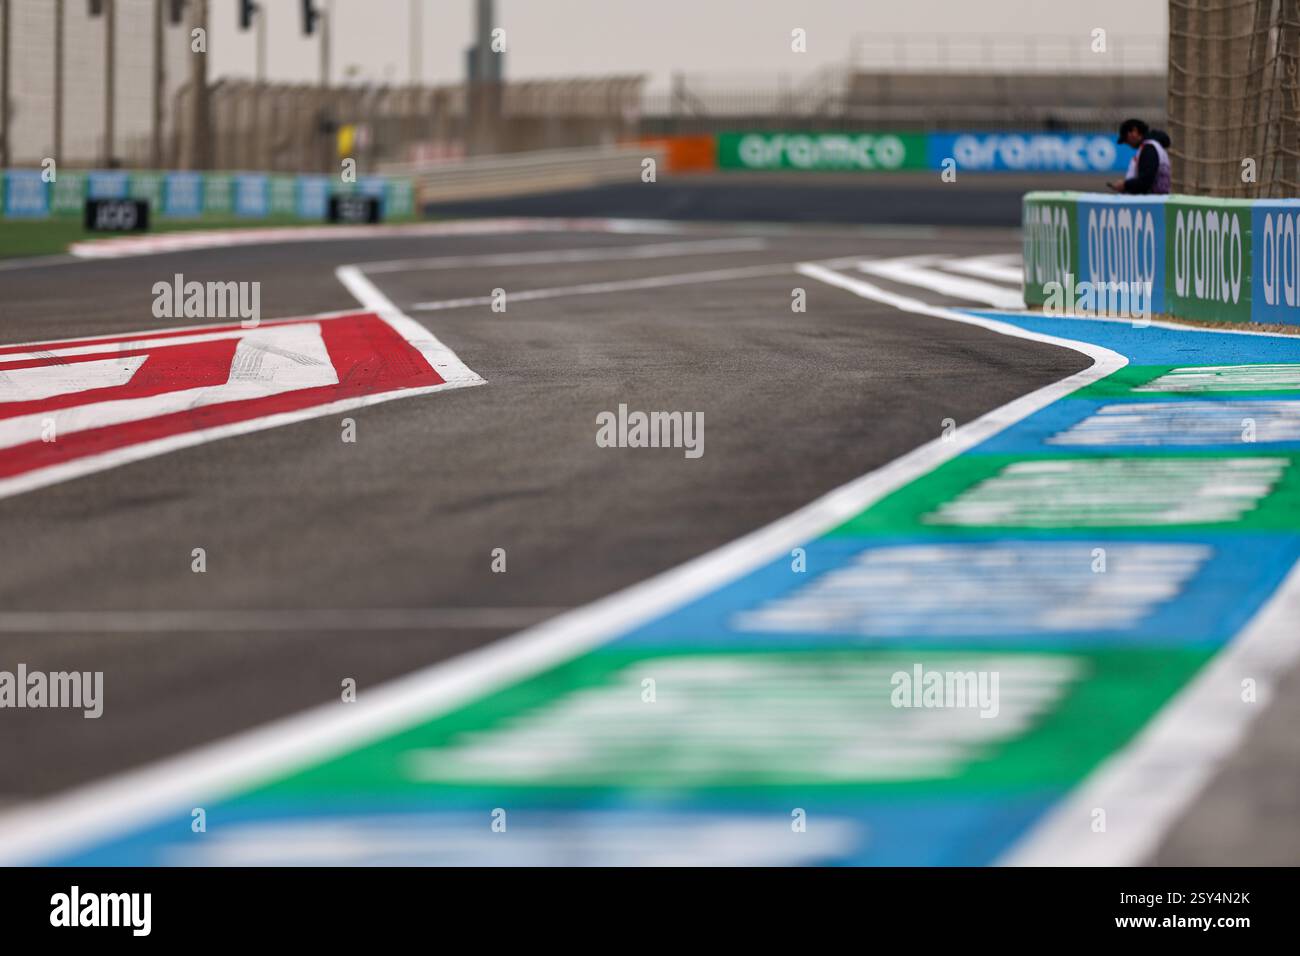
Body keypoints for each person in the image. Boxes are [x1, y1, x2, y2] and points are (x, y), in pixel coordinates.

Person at [1107, 118, 1172, 195]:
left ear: (1134, 131)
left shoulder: (1149, 148)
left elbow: (1146, 181)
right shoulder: (1153, 146)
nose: (1127, 143)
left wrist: (1125, 185)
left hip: (1152, 202)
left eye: (1126, 138)